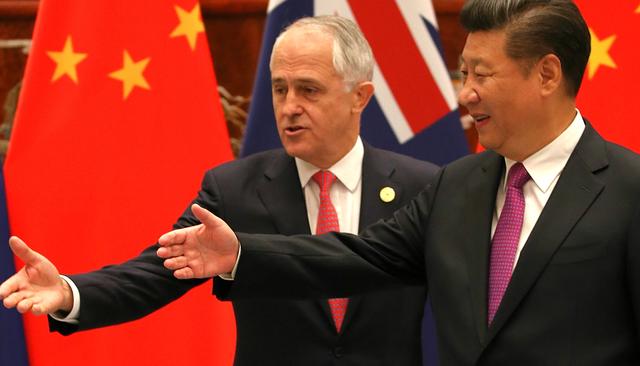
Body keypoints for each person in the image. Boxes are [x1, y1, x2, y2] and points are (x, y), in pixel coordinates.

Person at [149, 1, 640, 365]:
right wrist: (240, 254)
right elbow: (360, 256)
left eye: (482, 75)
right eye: (463, 72)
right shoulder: (457, 184)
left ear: (546, 74)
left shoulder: (634, 192)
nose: (465, 93)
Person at [0, 16, 440, 365]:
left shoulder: (422, 187)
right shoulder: (234, 189)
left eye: (309, 90)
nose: (289, 107)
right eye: (279, 88)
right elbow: (155, 273)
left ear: (359, 96)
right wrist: (69, 292)